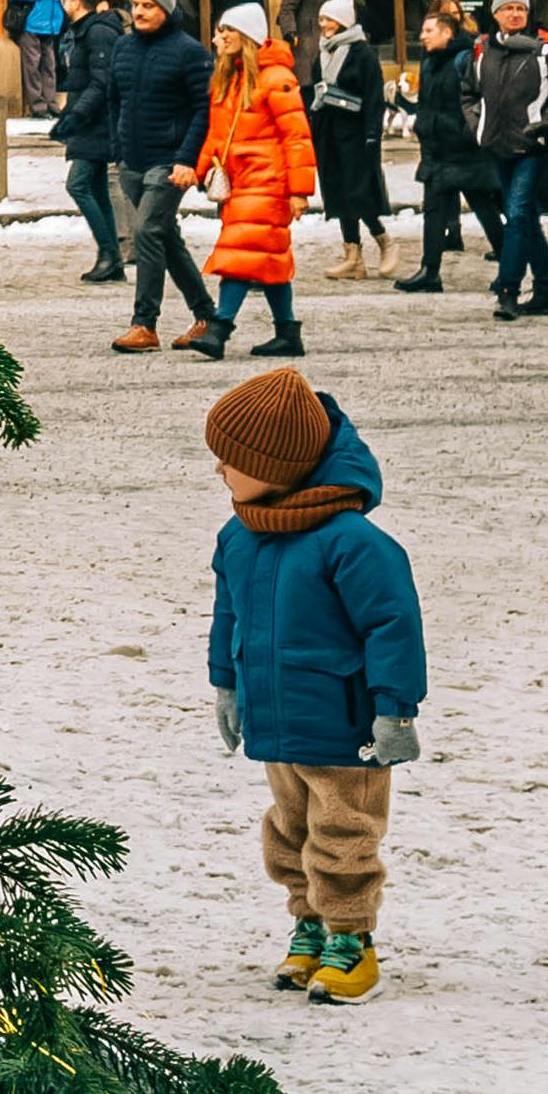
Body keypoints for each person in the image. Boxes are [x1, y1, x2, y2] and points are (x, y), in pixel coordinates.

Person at [203, 364, 424, 1002]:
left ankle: (351, 937)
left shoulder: (351, 542)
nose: (221, 469)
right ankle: (309, 926)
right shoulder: (240, 536)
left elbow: (393, 625)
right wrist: (228, 685)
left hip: (344, 724)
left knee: (344, 833)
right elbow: (230, 616)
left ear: (280, 464)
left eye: (232, 458)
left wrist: (396, 712)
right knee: (290, 830)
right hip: (278, 719)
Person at [94, 0, 216, 351]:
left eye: (148, 5)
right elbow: (115, 99)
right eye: (136, 4)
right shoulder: (124, 47)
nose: (141, 11)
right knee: (164, 235)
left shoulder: (189, 51)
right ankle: (208, 316)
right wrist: (117, 148)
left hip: (169, 162)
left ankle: (144, 324)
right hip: (132, 160)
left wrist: (186, 160)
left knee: (147, 230)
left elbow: (203, 110)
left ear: (166, 8)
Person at [188, 3, 318, 355]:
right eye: (219, 30)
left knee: (241, 251)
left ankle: (219, 329)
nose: (220, 37)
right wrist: (198, 171)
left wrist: (299, 191)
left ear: (246, 35)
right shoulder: (229, 77)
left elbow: (297, 136)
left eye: (227, 30)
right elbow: (217, 135)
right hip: (242, 181)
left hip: (268, 180)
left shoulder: (275, 78)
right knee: (268, 255)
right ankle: (288, 333)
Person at [474, 0, 548, 323]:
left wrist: (544, 125)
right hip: (498, 145)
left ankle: (508, 290)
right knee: (525, 218)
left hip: (532, 145)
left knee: (516, 214)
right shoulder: (484, 51)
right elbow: (470, 92)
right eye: (508, 8)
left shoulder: (544, 52)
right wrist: (478, 123)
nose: (515, 14)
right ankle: (546, 289)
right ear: (496, 13)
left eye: (521, 9)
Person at [304, 0, 392, 282]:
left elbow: (373, 96)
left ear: (342, 21)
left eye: (328, 20)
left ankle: (384, 242)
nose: (323, 25)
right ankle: (352, 255)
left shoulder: (361, 53)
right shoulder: (324, 50)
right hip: (329, 130)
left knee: (358, 191)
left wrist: (372, 133)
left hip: (354, 133)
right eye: (321, 19)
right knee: (338, 191)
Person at [401, 3, 490, 290]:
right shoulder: (429, 62)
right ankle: (430, 271)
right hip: (437, 148)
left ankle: (509, 262)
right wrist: (421, 125)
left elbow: (476, 100)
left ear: (447, 32)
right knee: (434, 210)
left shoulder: (463, 60)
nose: (422, 36)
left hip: (462, 149)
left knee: (483, 206)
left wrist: (467, 134)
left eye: (429, 31)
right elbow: (427, 103)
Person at [54, 0, 127, 282]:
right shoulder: (86, 31)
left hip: (96, 123)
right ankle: (111, 258)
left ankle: (109, 253)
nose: (64, 3)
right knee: (95, 188)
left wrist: (76, 115)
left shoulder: (97, 33)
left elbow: (101, 81)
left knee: (79, 185)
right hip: (91, 121)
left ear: (78, 2)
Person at [5, 0, 69, 117]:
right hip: (32, 21)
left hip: (47, 22)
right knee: (33, 66)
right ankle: (38, 106)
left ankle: (51, 104)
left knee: (49, 65)